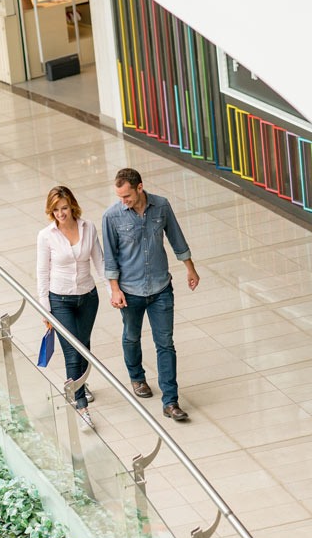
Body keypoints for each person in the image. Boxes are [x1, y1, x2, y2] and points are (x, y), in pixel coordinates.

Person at [101, 168, 199, 422]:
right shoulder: (112, 216)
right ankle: (137, 376)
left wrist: (191, 270)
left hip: (161, 289)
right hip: (130, 291)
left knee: (165, 343)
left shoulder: (162, 207)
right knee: (131, 336)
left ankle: (171, 401)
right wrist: (114, 289)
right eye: (120, 197)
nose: (123, 201)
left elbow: (177, 239)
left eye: (127, 196)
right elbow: (110, 258)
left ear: (139, 187)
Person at [36, 186, 103, 430]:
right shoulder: (46, 235)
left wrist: (113, 290)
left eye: (64, 208)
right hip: (60, 300)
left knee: (84, 347)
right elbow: (42, 273)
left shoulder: (89, 227)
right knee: (72, 352)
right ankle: (82, 405)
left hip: (88, 297)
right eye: (55, 210)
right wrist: (45, 309)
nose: (60, 214)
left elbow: (100, 262)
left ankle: (80, 384)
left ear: (72, 206)